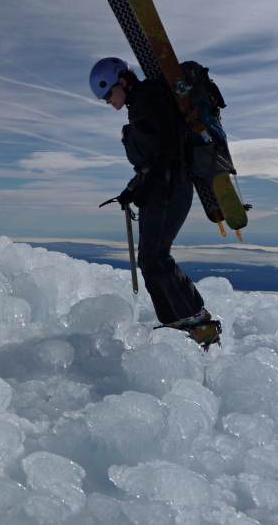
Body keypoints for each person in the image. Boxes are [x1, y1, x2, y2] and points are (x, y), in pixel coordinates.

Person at [90, 57, 221, 350]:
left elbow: (168, 148)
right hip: (161, 187)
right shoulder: (139, 105)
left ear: (122, 80)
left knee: (154, 256)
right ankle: (190, 320)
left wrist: (146, 187)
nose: (108, 102)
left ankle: (191, 322)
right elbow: (152, 158)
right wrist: (132, 189)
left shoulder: (149, 98)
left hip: (170, 189)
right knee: (153, 256)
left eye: (109, 94)